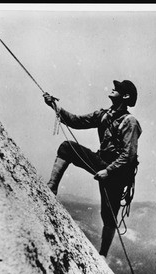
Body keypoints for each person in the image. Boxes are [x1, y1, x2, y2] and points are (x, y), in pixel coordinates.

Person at [43, 80, 142, 259]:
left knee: (109, 216)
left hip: (117, 172)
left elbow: (128, 156)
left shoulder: (130, 122)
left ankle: (102, 255)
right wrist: (54, 106)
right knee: (67, 147)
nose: (113, 88)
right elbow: (75, 121)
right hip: (101, 161)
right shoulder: (103, 115)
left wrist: (108, 171)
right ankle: (51, 188)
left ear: (126, 96)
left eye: (118, 88)